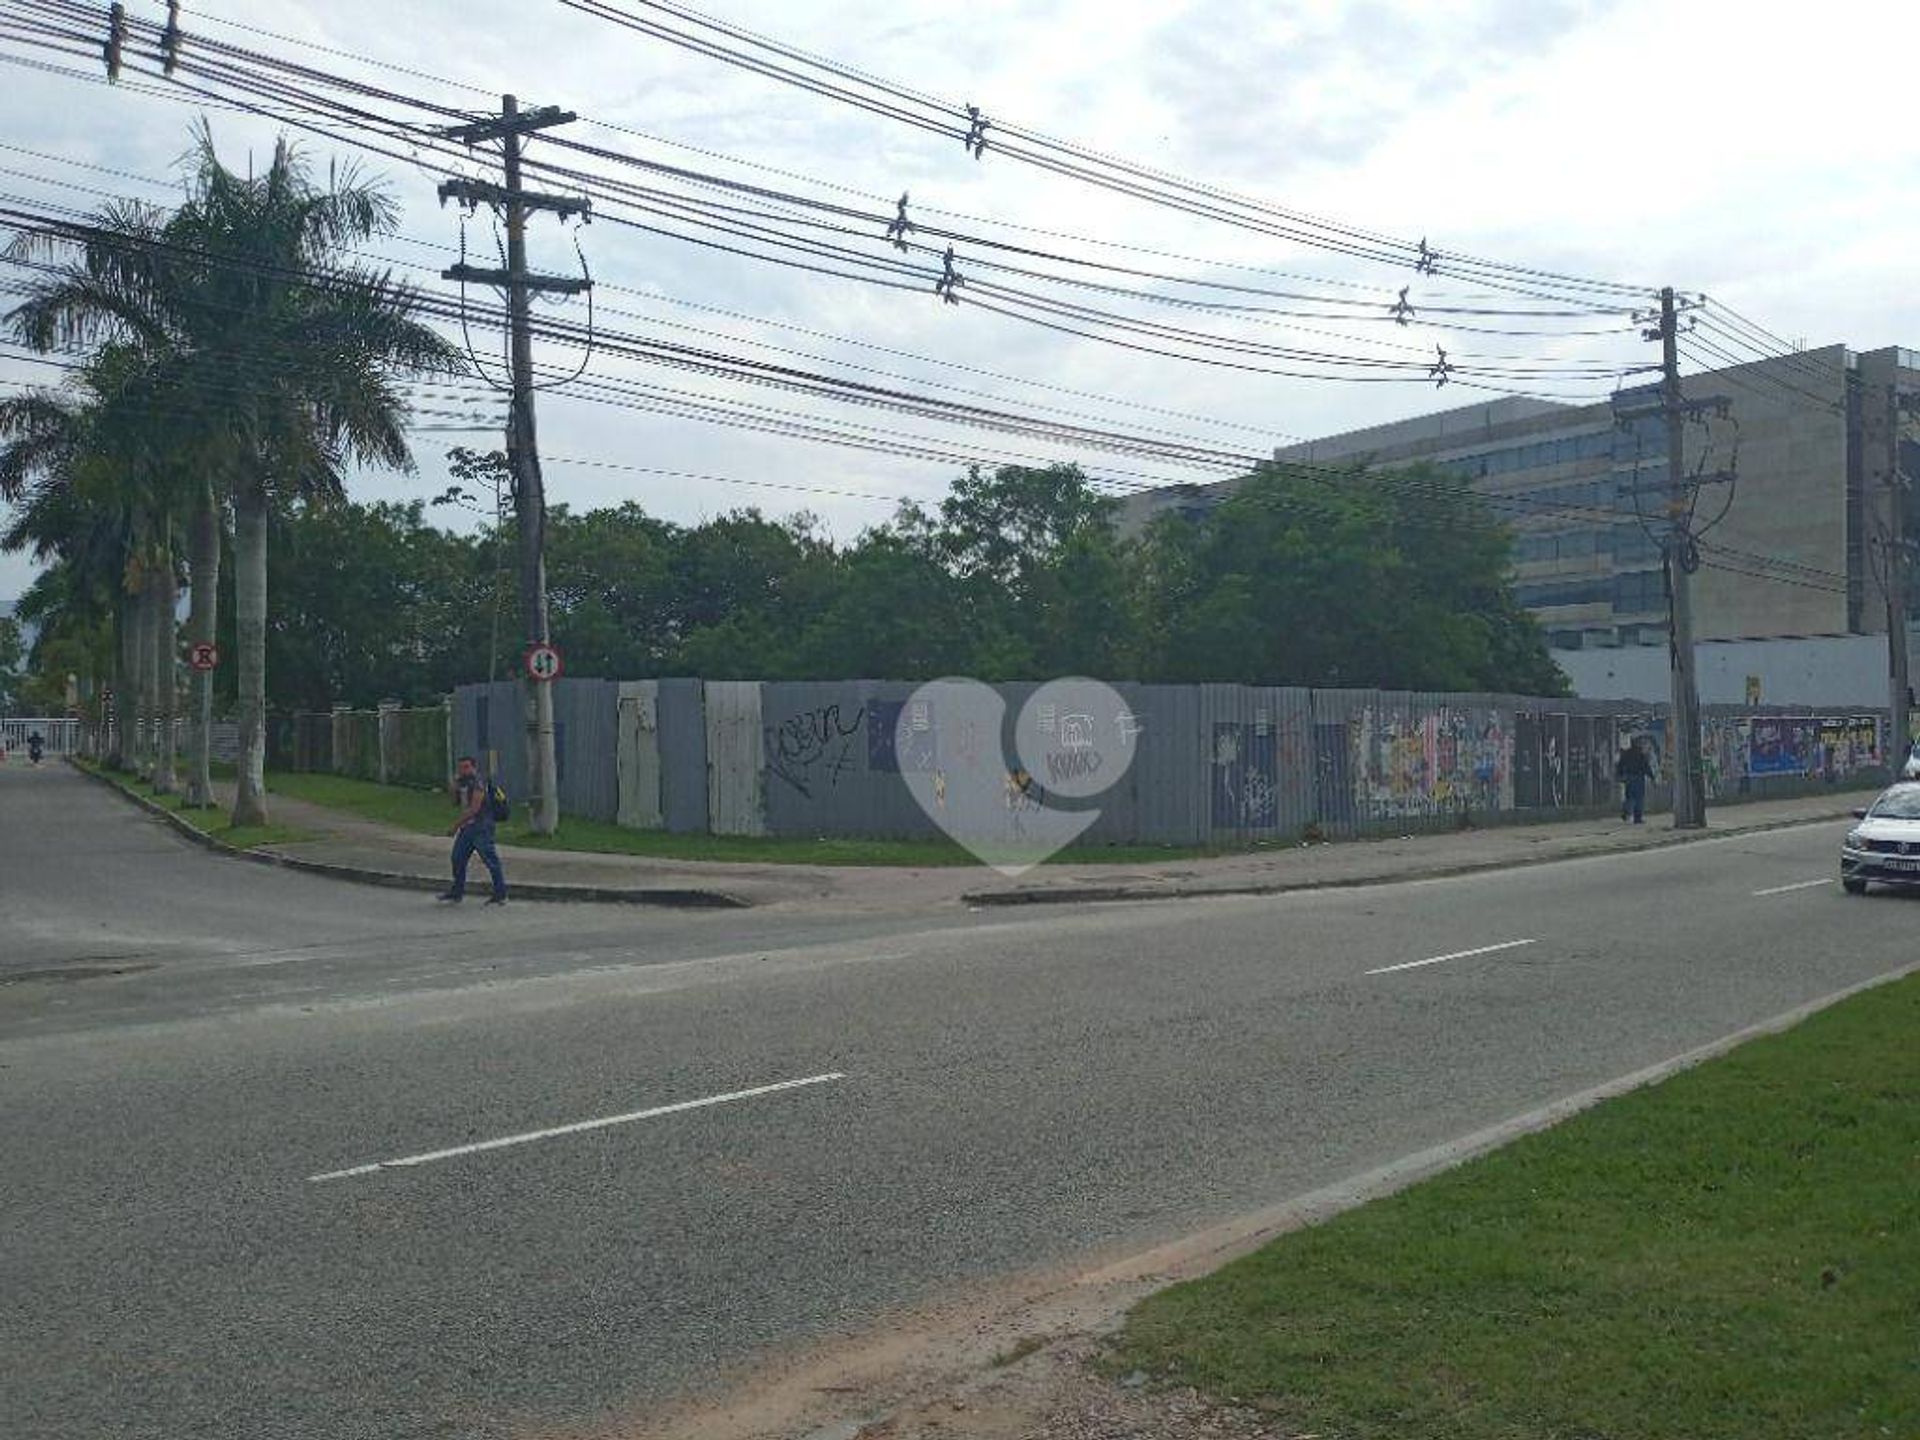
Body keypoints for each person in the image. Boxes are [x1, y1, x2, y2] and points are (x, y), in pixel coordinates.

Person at [440, 755, 507, 905]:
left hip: (481, 826)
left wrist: (455, 826)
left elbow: (474, 808)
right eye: (461, 767)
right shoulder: (462, 783)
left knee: (490, 859)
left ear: (473, 767)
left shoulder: (478, 782)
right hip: (467, 827)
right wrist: (453, 787)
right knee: (457, 858)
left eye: (466, 767)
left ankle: (500, 893)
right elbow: (454, 802)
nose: (463, 770)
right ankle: (457, 892)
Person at [1615, 736, 1655, 824]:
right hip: (1638, 778)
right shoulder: (1640, 754)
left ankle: (1626, 811)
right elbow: (1646, 766)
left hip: (1628, 777)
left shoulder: (1626, 754)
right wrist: (1652, 777)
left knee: (1629, 797)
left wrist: (1619, 775)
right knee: (1639, 798)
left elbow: (1620, 765)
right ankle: (1637, 818)